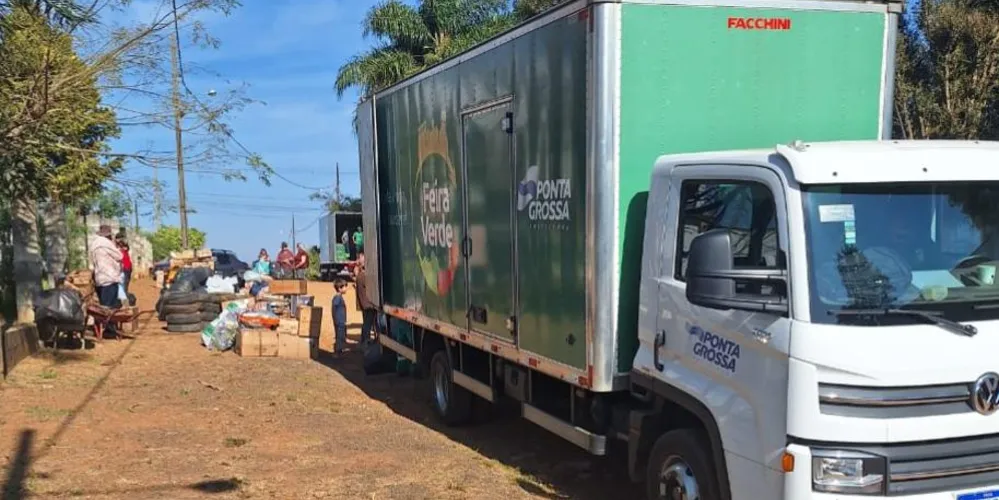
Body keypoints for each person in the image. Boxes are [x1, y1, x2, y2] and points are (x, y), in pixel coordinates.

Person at [89, 225, 123, 335]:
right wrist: (116, 246)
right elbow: (119, 256)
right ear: (108, 235)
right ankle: (109, 329)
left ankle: (101, 328)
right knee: (110, 307)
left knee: (102, 305)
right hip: (110, 277)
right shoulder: (106, 243)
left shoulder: (94, 244)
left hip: (99, 278)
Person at [354, 251, 376, 345]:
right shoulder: (363, 277)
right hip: (368, 304)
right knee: (368, 323)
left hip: (364, 304)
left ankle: (364, 340)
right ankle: (365, 340)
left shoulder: (359, 276)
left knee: (366, 323)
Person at [332, 279, 348, 355]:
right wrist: (336, 320)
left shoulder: (339, 297)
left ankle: (339, 350)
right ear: (339, 288)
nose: (346, 289)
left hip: (340, 320)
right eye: (345, 287)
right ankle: (337, 351)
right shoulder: (337, 298)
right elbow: (334, 308)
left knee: (341, 335)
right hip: (339, 320)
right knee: (339, 336)